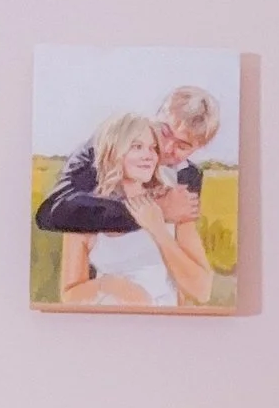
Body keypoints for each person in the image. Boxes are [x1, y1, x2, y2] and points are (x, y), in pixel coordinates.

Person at [53, 110, 214, 308]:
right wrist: (113, 286)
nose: (149, 156)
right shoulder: (87, 213)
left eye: (153, 148)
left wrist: (158, 230)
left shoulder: (173, 203)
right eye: (137, 147)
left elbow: (202, 291)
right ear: (114, 151)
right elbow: (70, 294)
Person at [33, 78, 220, 239]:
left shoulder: (189, 176)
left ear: (198, 149)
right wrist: (154, 211)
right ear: (156, 116)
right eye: (164, 131)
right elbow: (52, 212)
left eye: (182, 146)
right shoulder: (107, 145)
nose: (167, 147)